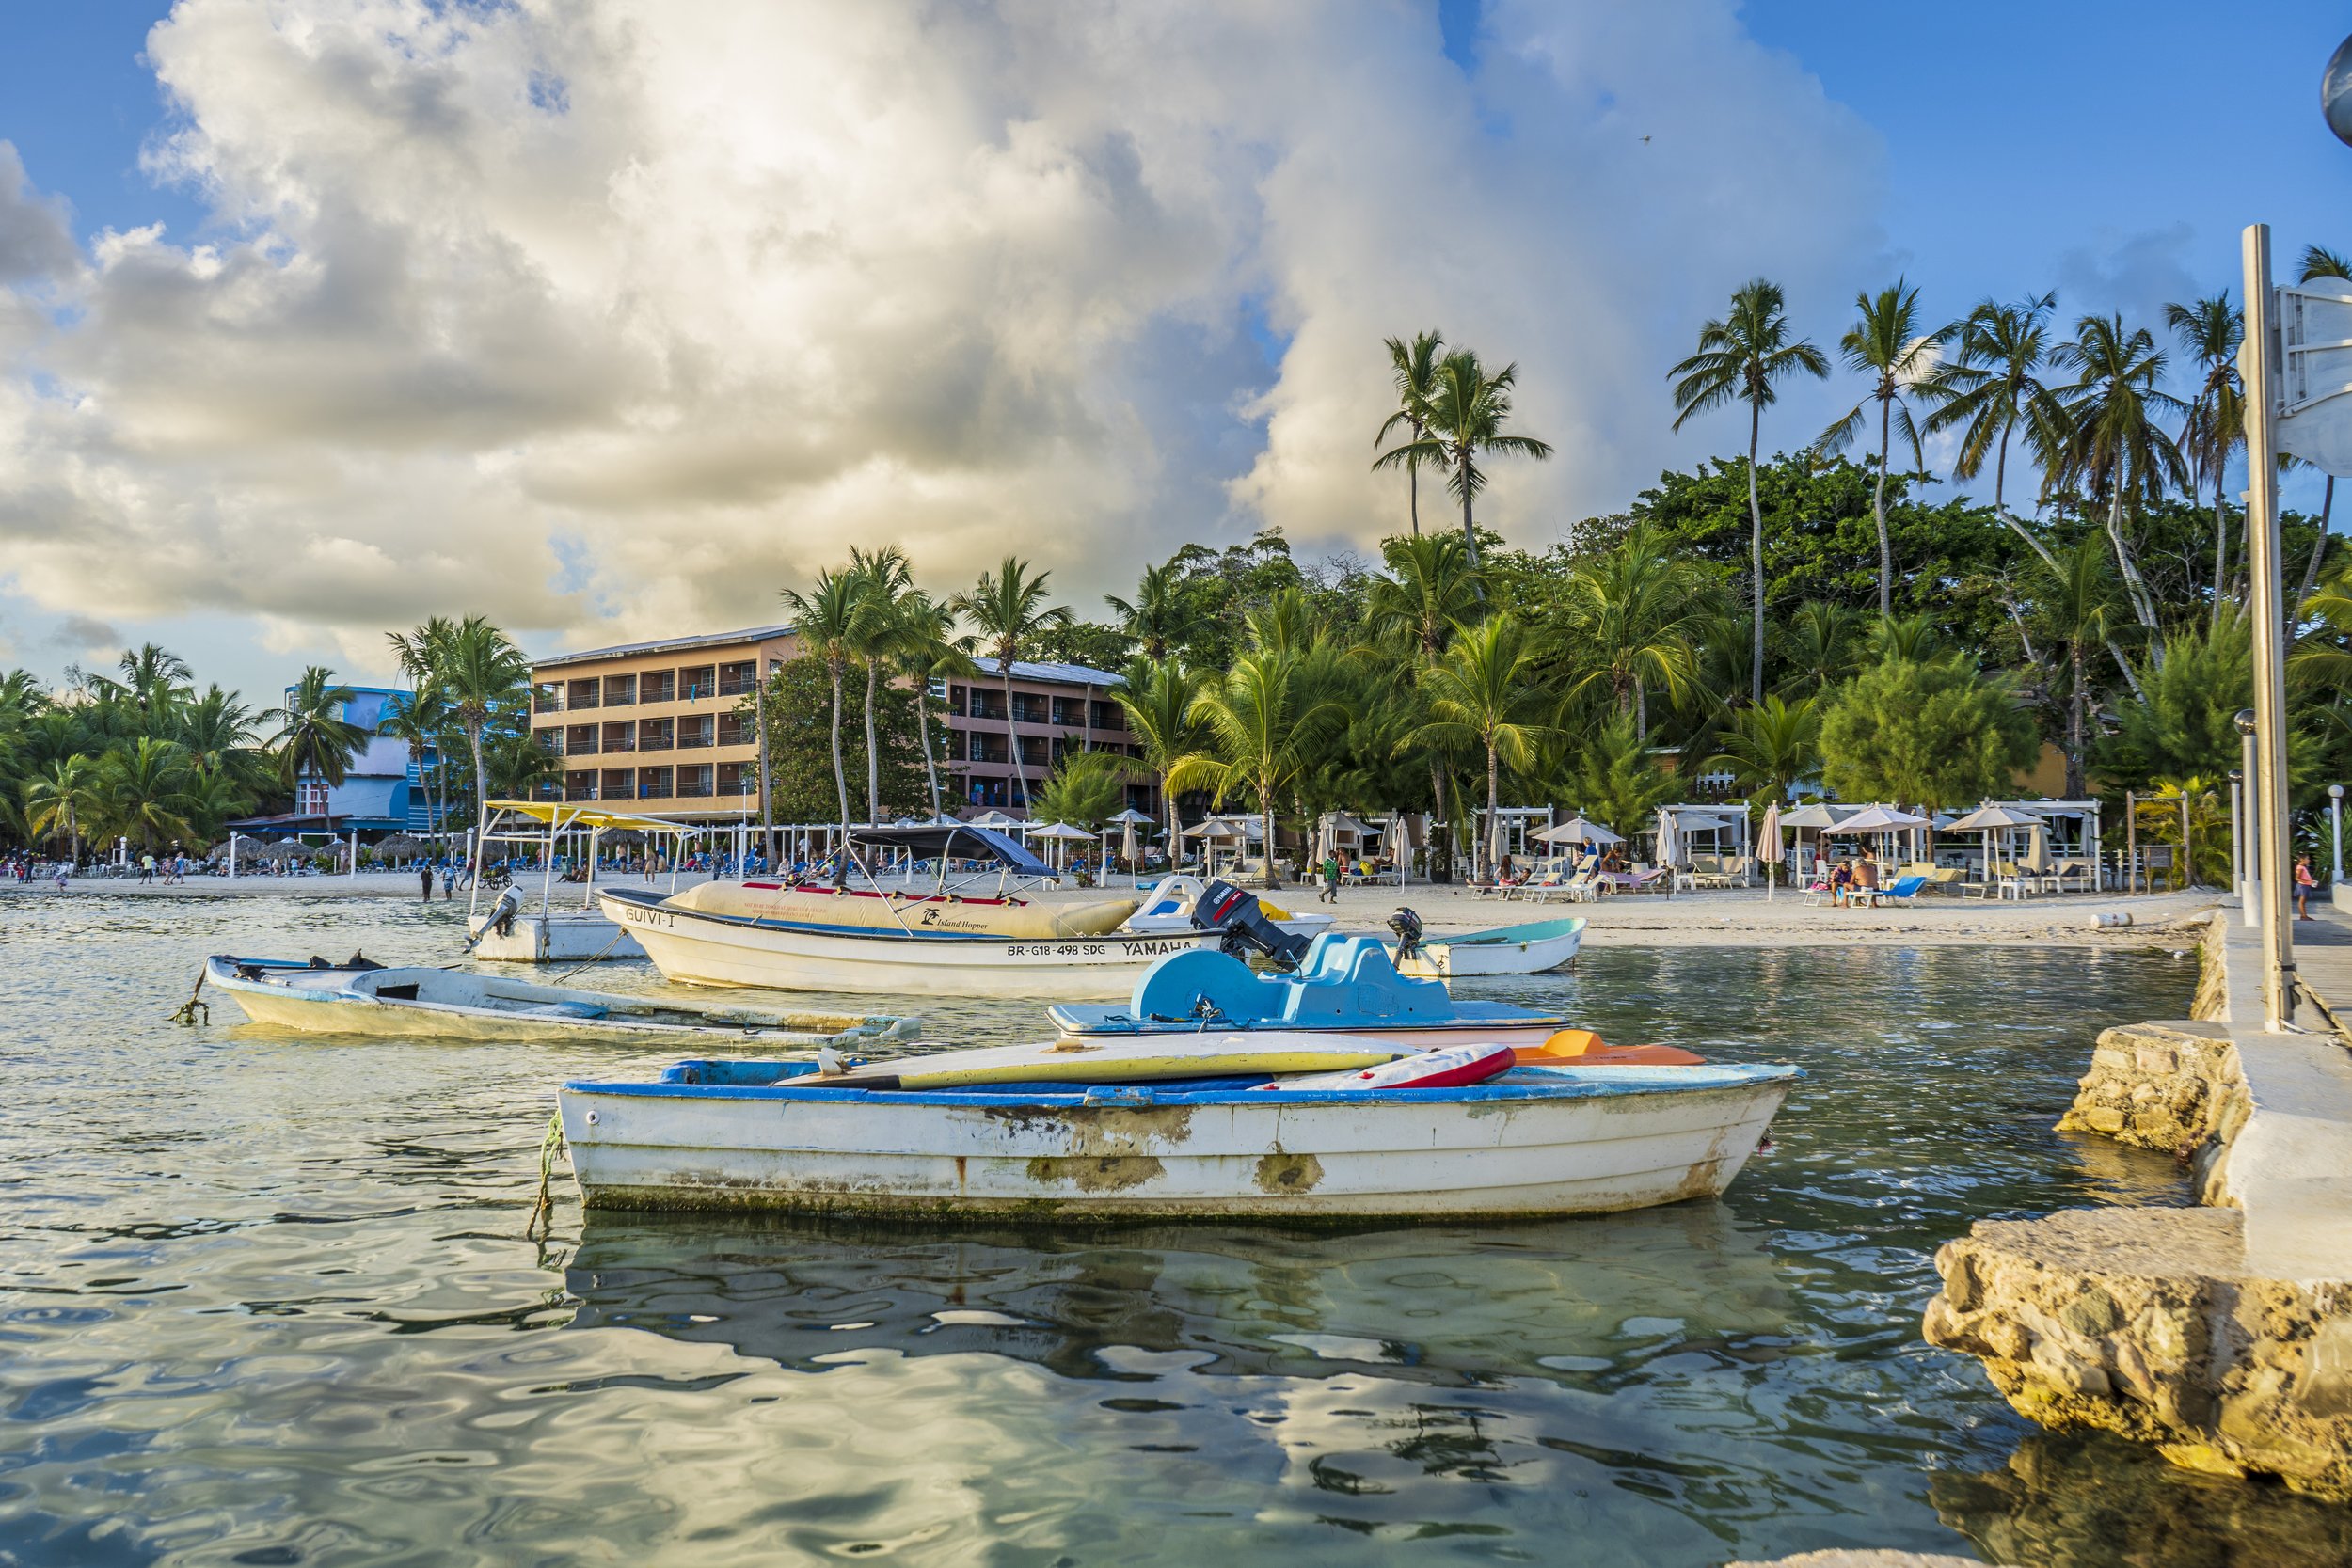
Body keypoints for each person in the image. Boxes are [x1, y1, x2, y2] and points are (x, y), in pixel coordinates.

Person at [2296, 853, 2317, 921]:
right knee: (2302, 901)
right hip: (2303, 886)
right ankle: (2304, 916)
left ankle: (2303, 915)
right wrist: (2308, 882)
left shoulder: (2303, 867)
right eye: (2307, 858)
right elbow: (2297, 878)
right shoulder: (2301, 868)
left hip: (2305, 885)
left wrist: (2310, 882)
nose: (2309, 860)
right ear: (2302, 859)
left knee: (2303, 901)